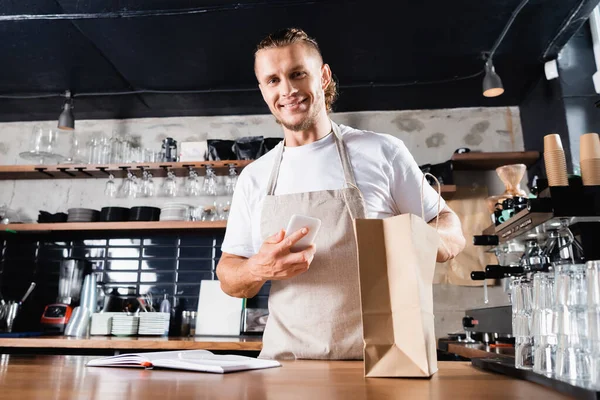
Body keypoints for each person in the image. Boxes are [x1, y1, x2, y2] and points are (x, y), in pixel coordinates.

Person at [216, 28, 465, 360]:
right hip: (287, 367)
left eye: (297, 74)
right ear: (263, 90)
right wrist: (257, 269)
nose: (287, 90)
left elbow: (449, 227)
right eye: (273, 80)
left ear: (323, 76)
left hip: (383, 362)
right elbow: (229, 277)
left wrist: (418, 239)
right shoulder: (255, 177)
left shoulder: (382, 152)